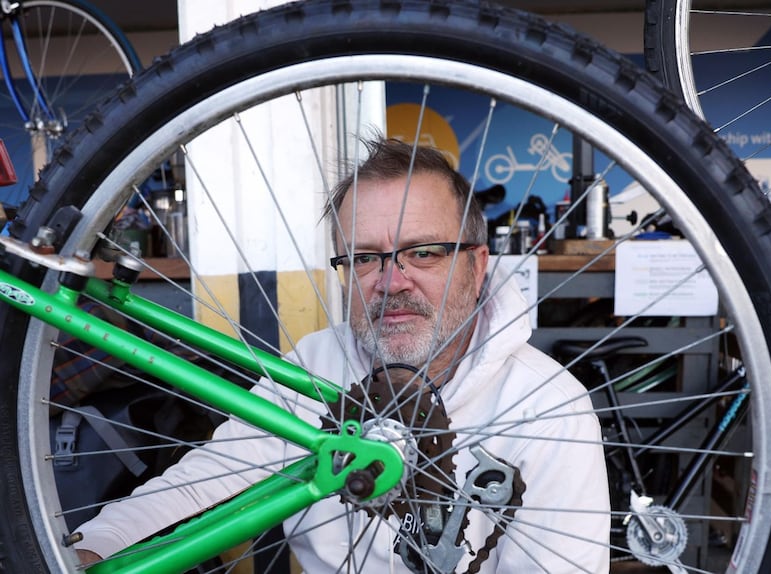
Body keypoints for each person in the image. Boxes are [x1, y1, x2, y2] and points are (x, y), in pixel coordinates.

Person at [74, 138, 610, 572]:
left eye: (422, 252)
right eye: (362, 258)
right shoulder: (315, 365)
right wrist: (94, 547)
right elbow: (210, 479)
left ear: (476, 265)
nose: (390, 282)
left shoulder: (552, 407)